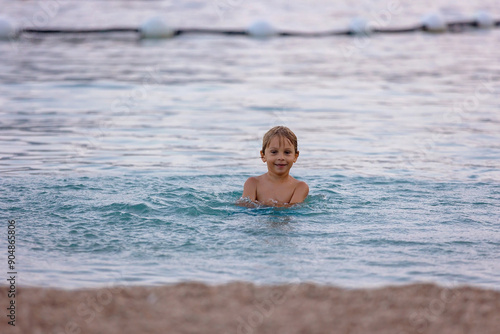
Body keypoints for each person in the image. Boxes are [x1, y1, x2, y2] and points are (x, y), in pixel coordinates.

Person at [238, 126, 309, 207]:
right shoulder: (252, 183)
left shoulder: (300, 187)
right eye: (274, 152)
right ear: (263, 155)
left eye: (287, 152)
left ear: (295, 156)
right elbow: (245, 209)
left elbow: (293, 211)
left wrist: (263, 205)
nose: (281, 157)